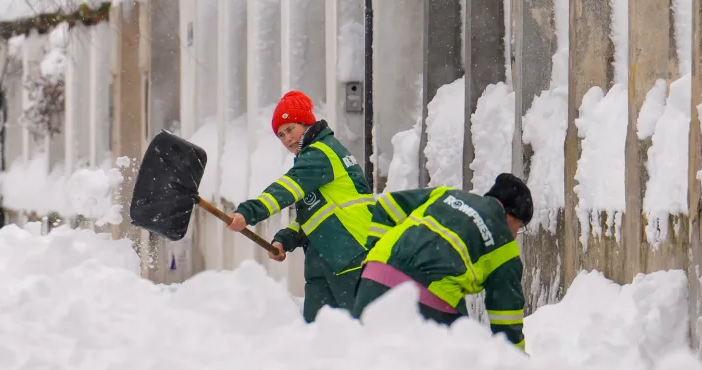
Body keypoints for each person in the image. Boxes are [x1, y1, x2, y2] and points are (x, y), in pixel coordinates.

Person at [227, 90, 374, 322]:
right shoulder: (311, 157)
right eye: (281, 134)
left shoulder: (323, 153)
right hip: (323, 258)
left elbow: (287, 188)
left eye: (290, 129)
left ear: (306, 124)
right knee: (317, 336)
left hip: (350, 252)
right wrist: (286, 238)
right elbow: (315, 212)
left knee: (358, 328)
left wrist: (248, 212)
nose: (287, 139)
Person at [351, 173, 533, 351]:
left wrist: (375, 251)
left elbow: (387, 204)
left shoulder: (446, 194)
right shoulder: (505, 247)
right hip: (430, 299)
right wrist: (517, 360)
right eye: (520, 226)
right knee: (462, 355)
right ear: (512, 217)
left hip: (373, 278)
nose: (516, 234)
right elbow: (506, 318)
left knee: (365, 355)